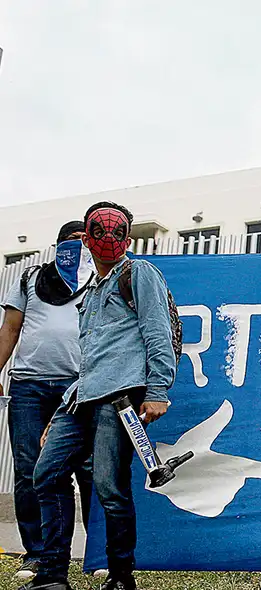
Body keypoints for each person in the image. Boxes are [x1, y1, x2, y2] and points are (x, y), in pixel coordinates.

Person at [23, 202, 176, 590]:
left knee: (109, 487)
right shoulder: (90, 293)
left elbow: (158, 332)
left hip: (120, 397)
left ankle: (121, 577)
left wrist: (157, 389)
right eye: (100, 231)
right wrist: (62, 411)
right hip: (82, 398)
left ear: (128, 238)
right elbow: (91, 358)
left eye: (118, 231)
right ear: (86, 239)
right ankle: (52, 576)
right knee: (47, 474)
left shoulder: (139, 273)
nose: (109, 238)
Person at [0, 222, 95, 582]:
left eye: (85, 240)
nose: (79, 246)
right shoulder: (30, 279)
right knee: (29, 470)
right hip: (29, 386)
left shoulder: (100, 279)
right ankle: (37, 554)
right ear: (57, 246)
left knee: (87, 469)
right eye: (71, 241)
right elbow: (10, 329)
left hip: (79, 387)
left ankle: (97, 552)